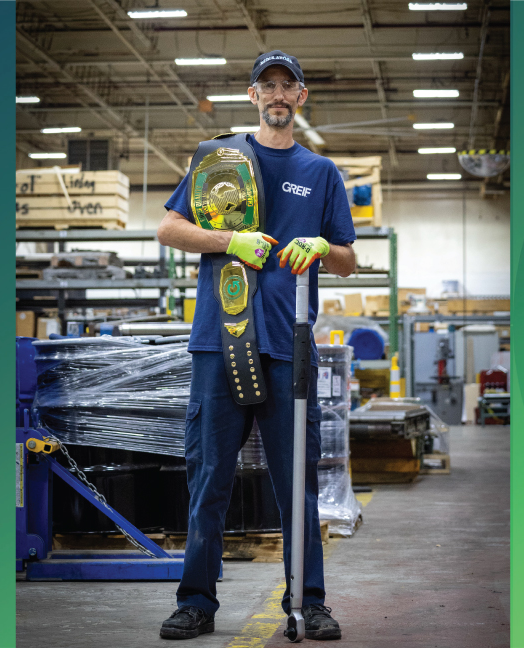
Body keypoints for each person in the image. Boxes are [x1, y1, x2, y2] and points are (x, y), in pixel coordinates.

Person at [156, 50, 358, 641]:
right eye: (265, 85)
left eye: (286, 85)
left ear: (300, 97)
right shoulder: (218, 159)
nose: (276, 94)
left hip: (286, 348)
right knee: (209, 478)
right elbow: (168, 228)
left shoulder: (321, 173)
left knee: (297, 485)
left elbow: (348, 258)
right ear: (252, 96)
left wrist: (321, 248)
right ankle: (196, 602)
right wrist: (229, 241)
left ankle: (310, 601)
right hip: (219, 347)